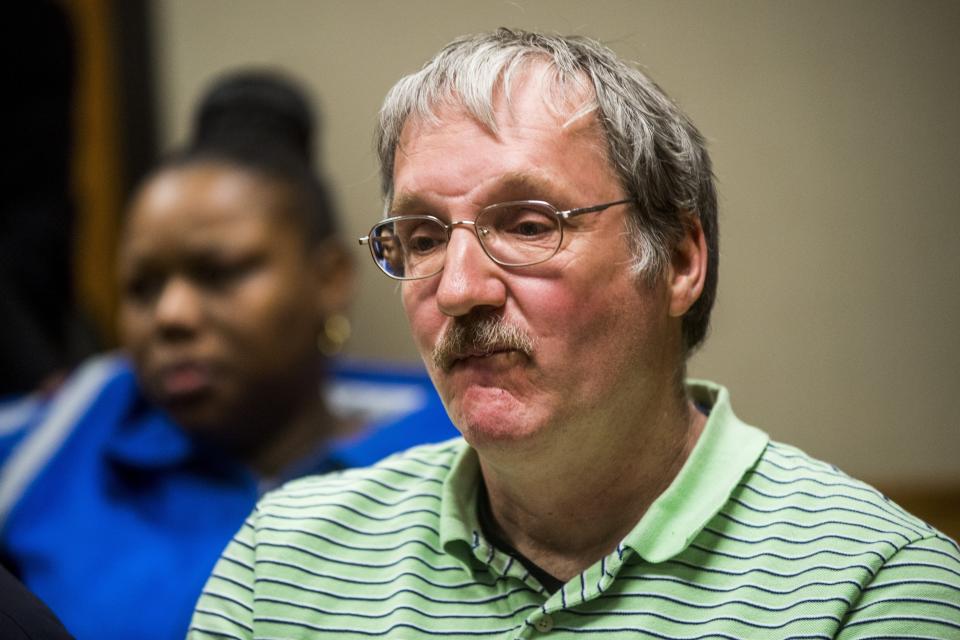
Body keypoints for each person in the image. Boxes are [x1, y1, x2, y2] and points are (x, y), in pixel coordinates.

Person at [190, 29, 960, 638]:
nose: (457, 289)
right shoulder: (286, 562)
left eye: (529, 225)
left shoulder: (872, 589)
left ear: (681, 261)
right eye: (422, 238)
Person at [0, 70, 452, 640]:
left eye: (219, 274)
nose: (172, 316)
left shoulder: (453, 436)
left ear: (331, 277)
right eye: (142, 288)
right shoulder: (79, 424)